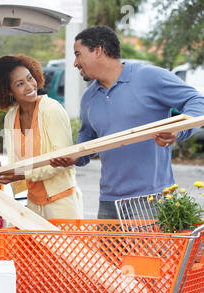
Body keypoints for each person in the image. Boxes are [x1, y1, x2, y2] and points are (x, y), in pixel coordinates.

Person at [49, 25, 204, 219]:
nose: (75, 63)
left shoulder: (149, 77)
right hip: (108, 202)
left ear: (98, 50)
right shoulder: (89, 97)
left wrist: (178, 131)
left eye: (78, 54)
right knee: (108, 252)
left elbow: (197, 101)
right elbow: (87, 137)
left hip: (151, 200)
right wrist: (76, 156)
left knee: (146, 252)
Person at [0, 55, 83, 219]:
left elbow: (63, 162)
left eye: (30, 78)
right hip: (33, 204)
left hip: (62, 203)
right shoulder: (11, 117)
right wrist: (2, 176)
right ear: (8, 91)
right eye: (20, 84)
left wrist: (22, 174)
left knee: (65, 246)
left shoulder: (52, 110)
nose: (30, 86)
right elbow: (17, 164)